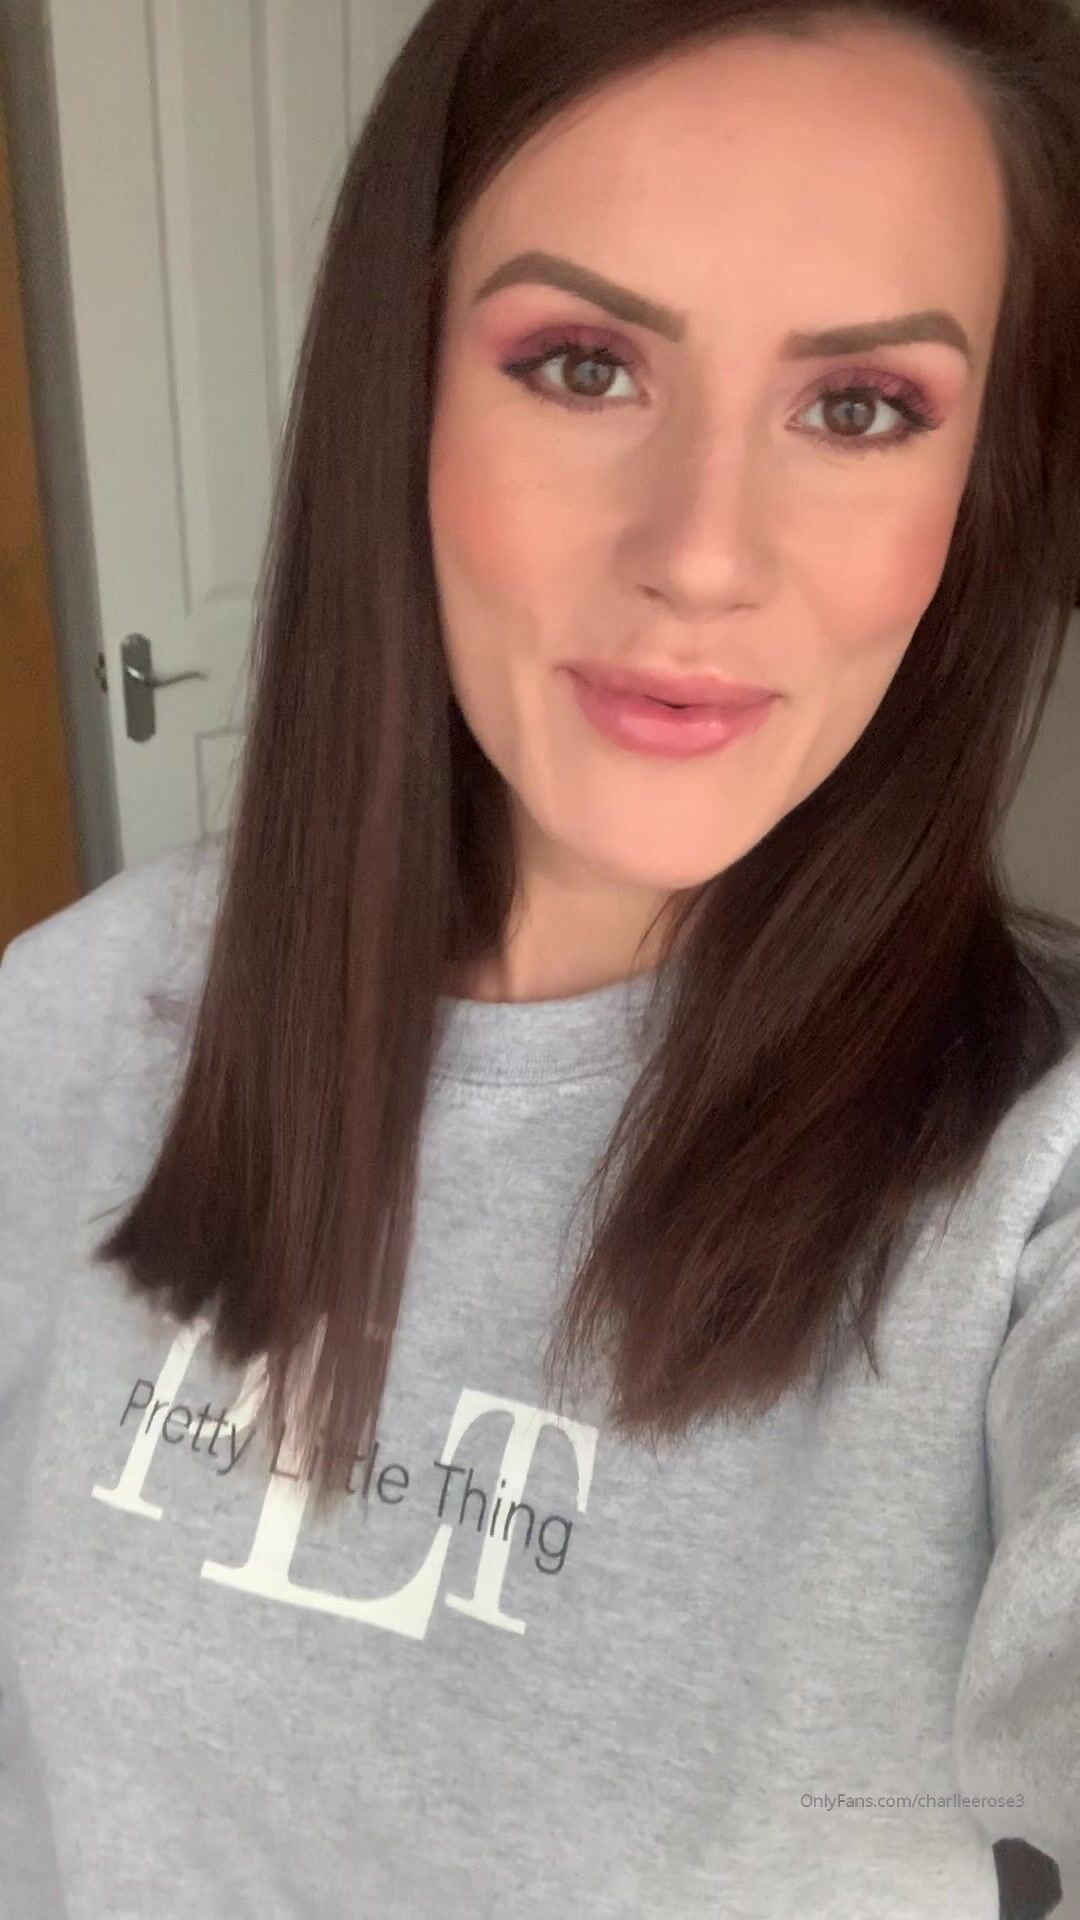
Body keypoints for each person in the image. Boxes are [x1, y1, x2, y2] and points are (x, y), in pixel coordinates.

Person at [3, 0, 1080, 1914]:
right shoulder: (72, 1015)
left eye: (859, 407)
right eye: (583, 366)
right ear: (405, 400)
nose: (704, 554)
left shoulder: (1039, 1186)